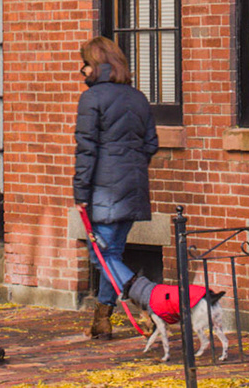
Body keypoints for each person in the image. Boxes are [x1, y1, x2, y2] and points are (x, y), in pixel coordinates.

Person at [73, 35, 158, 339]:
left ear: (94, 65)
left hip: (103, 191)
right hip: (133, 187)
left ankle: (149, 300)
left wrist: (81, 194)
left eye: (84, 64)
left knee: (102, 256)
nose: (81, 71)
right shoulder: (137, 97)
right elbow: (151, 144)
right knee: (114, 252)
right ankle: (102, 319)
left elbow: (86, 149)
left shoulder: (92, 99)